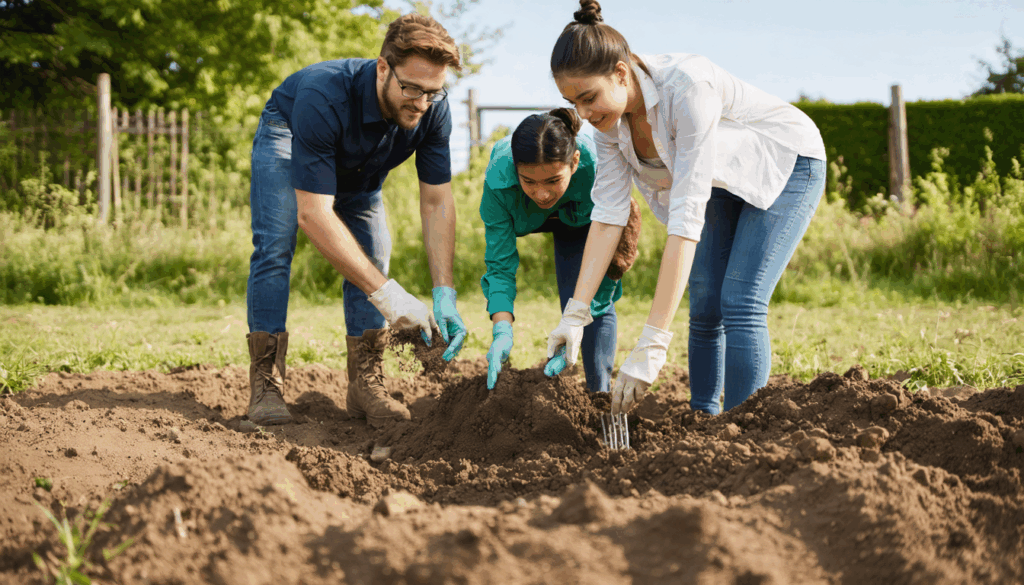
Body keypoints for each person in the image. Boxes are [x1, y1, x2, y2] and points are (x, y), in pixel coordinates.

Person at [545, 0, 827, 416]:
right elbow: (607, 216)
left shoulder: (687, 88)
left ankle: (743, 429)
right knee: (705, 295)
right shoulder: (610, 124)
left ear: (621, 73)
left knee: (740, 299)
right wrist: (575, 314)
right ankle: (703, 421)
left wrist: (654, 340)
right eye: (574, 103)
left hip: (786, 161)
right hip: (721, 178)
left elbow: (686, 217)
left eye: (589, 98)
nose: (584, 115)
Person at [246, 13, 468, 428]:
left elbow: (437, 201)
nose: (421, 103)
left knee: (375, 253)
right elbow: (313, 215)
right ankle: (266, 386)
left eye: (433, 92)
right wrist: (389, 297)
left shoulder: (432, 109)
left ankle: (364, 384)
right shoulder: (322, 95)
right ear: (383, 67)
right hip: (289, 134)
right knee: (275, 246)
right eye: (411, 88)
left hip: (361, 167)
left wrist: (444, 292)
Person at [480, 108, 637, 394]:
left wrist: (579, 315)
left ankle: (598, 395)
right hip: (524, 215)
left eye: (553, 180)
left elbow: (607, 255)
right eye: (529, 181)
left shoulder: (597, 167)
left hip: (582, 222)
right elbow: (499, 265)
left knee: (581, 301)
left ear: (574, 162)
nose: (542, 193)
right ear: (516, 168)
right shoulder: (499, 179)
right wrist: (501, 329)